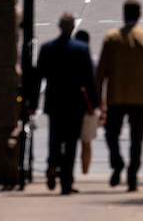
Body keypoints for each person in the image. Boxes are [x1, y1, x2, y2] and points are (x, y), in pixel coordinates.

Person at [97, 0, 143, 192]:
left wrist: (99, 99)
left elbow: (101, 71)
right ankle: (132, 175)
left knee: (111, 134)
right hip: (140, 96)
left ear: (123, 15)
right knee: (137, 138)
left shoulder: (111, 38)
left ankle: (117, 162)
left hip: (116, 95)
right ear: (139, 15)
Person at [34, 13, 98, 194]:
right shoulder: (82, 49)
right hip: (74, 103)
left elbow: (38, 77)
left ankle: (52, 164)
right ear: (73, 27)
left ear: (59, 26)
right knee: (71, 143)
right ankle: (66, 181)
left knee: (54, 138)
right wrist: (93, 103)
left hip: (54, 101)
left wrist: (32, 103)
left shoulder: (47, 48)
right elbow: (88, 79)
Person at [74, 29, 97, 175]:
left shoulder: (69, 59)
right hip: (90, 106)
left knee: (68, 142)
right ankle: (85, 173)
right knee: (86, 143)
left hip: (71, 105)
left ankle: (66, 172)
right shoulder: (94, 61)